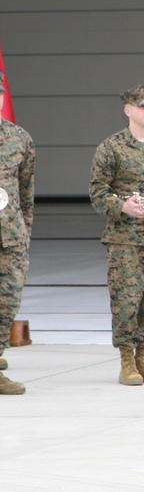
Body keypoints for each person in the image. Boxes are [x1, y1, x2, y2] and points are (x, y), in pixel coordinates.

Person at [90, 84, 144, 386]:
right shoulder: (111, 148)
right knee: (127, 300)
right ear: (128, 110)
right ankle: (127, 360)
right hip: (125, 239)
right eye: (141, 106)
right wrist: (122, 206)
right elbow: (97, 193)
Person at [0, 72, 35, 396]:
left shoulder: (19, 139)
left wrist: (25, 233)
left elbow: (27, 192)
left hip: (10, 238)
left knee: (8, 303)